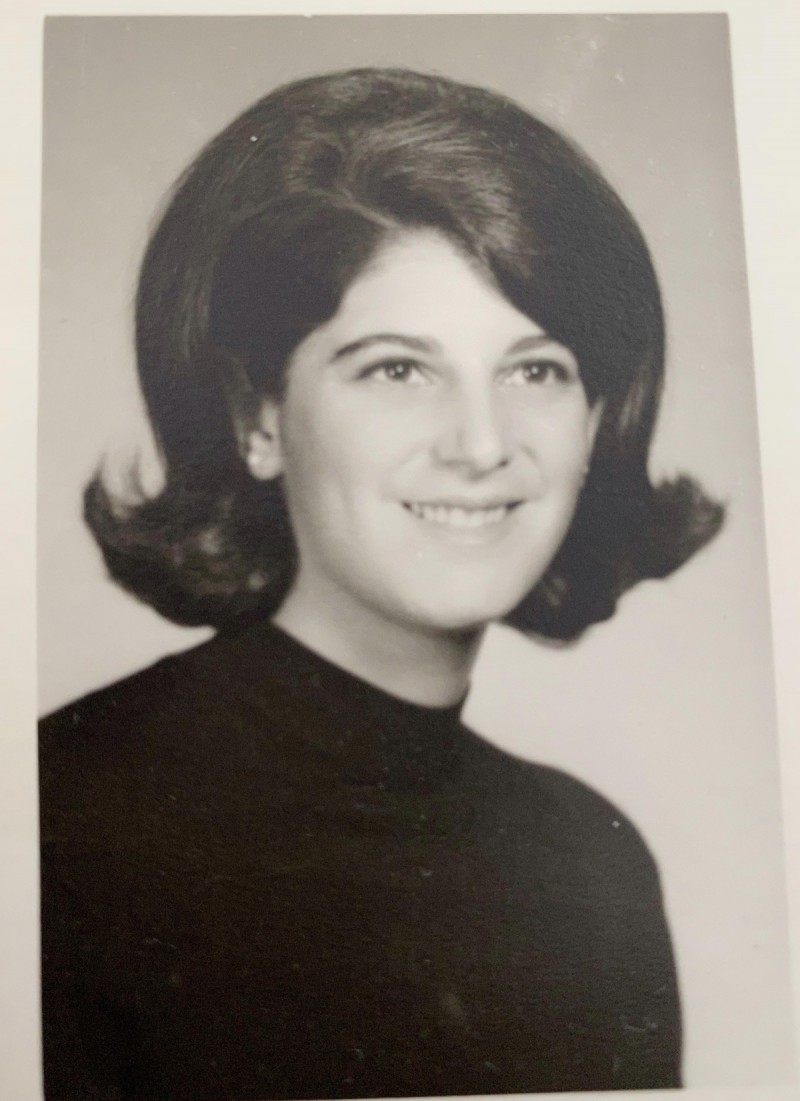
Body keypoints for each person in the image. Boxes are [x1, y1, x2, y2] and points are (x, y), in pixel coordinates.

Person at [39, 67, 723, 1100]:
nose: (481, 445)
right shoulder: (57, 819)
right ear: (258, 418)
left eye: (534, 370)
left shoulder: (592, 862)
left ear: (593, 422)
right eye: (398, 369)